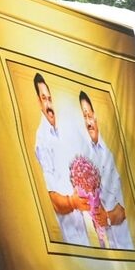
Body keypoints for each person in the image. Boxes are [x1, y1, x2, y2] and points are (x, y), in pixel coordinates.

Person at [32, 73, 89, 246]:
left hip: (83, 221)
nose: (49, 104)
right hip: (70, 230)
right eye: (44, 99)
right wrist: (73, 202)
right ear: (38, 102)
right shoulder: (43, 140)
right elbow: (55, 199)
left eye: (50, 98)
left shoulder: (60, 130)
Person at [78, 90, 133, 250]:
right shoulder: (84, 157)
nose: (88, 122)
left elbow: (124, 207)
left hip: (123, 245)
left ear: (96, 116)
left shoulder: (111, 153)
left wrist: (107, 217)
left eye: (89, 116)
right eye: (84, 117)